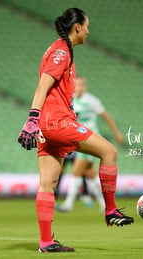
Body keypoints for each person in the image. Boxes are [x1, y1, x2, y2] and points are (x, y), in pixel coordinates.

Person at [17, 8, 134, 253]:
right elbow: (42, 87)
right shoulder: (61, 52)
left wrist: (35, 124)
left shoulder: (60, 49)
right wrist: (32, 118)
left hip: (46, 126)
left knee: (47, 183)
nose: (89, 31)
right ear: (78, 27)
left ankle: (46, 242)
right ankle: (110, 211)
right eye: (87, 26)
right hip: (56, 122)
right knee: (109, 152)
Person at [56, 76, 125, 212]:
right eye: (77, 84)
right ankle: (105, 204)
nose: (80, 87)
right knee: (90, 174)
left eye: (82, 84)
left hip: (91, 140)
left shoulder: (92, 101)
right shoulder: (70, 100)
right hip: (79, 140)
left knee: (76, 171)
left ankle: (68, 205)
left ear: (85, 86)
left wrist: (117, 133)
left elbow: (106, 117)